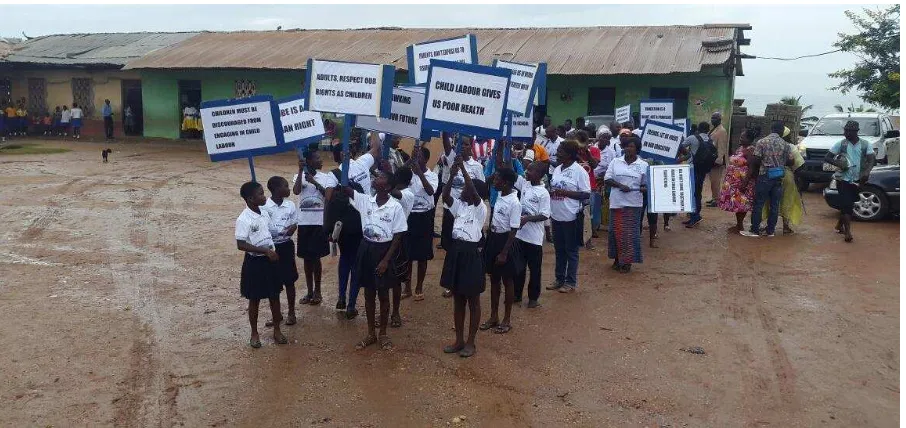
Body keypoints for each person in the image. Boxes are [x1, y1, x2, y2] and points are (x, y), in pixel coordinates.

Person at [344, 170, 407, 351]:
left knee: (383, 294)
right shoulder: (366, 200)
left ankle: (383, 333)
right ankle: (371, 332)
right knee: (369, 292)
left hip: (384, 251)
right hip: (366, 249)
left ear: (387, 187)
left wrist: (386, 260)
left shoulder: (395, 207)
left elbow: (398, 236)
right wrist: (347, 164)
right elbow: (345, 189)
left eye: (380, 177)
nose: (376, 178)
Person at [440, 156, 488, 358]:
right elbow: (445, 196)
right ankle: (459, 340)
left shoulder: (480, 209)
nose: (463, 192)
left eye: (466, 190)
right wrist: (451, 175)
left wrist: (464, 171)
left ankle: (471, 342)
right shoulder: (460, 206)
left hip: (470, 254)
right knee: (458, 299)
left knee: (473, 300)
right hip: (456, 252)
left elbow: (474, 190)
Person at [235, 181, 287, 348]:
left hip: (271, 260)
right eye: (260, 194)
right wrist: (265, 251)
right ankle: (254, 333)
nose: (264, 196)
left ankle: (277, 330)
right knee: (254, 299)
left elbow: (270, 232)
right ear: (250, 198)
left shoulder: (264, 213)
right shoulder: (243, 219)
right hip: (255, 262)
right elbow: (241, 244)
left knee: (275, 296)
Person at [480, 166, 521, 335]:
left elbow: (513, 229)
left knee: (507, 280)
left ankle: (507, 319)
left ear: (506, 183)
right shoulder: (499, 195)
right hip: (494, 239)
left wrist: (504, 252)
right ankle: (494, 316)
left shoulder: (514, 202)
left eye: (497, 179)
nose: (494, 181)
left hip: (506, 242)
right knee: (494, 279)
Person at [546, 140, 591, 293]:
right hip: (556, 216)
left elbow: (586, 194)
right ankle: (559, 279)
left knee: (571, 251)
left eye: (560, 151)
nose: (557, 153)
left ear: (570, 154)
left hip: (571, 217)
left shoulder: (579, 171)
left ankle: (570, 282)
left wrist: (565, 193)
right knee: (559, 250)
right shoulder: (558, 169)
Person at [293, 150, 336, 308]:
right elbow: (296, 191)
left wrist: (314, 182)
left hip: (319, 223)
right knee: (306, 258)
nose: (321, 160)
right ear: (309, 161)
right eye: (317, 158)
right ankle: (309, 291)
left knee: (316, 258)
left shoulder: (325, 178)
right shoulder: (300, 176)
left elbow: (329, 196)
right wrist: (300, 171)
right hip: (304, 223)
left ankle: (318, 291)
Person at [741, 121, 795, 238]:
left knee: (759, 203)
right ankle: (770, 231)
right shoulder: (785, 145)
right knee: (775, 205)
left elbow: (756, 160)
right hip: (779, 176)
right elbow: (791, 161)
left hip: (765, 175)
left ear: (771, 129)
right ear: (781, 131)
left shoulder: (762, 142)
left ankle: (754, 230)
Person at [824, 120, 875, 242]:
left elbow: (872, 159)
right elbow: (827, 157)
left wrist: (867, 172)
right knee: (847, 204)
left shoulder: (865, 144)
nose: (845, 133)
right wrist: (839, 164)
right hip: (843, 179)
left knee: (849, 204)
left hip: (858, 180)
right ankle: (847, 232)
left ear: (856, 132)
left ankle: (839, 225)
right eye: (845, 130)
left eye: (848, 131)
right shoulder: (841, 144)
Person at [604, 136, 648, 273]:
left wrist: (643, 188)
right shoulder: (615, 162)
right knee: (614, 232)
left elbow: (646, 185)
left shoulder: (643, 165)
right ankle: (617, 259)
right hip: (616, 203)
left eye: (632, 146)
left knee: (629, 234)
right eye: (626, 146)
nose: (628, 148)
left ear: (637, 149)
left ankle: (627, 262)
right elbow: (607, 179)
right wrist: (620, 185)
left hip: (633, 204)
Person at [262, 176, 301, 327]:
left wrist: (292, 228)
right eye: (285, 186)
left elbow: (294, 222)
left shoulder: (290, 205)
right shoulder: (265, 207)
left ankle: (292, 312)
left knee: (289, 280)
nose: (288, 189)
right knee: (273, 283)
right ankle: (276, 314)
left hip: (286, 246)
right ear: (276, 189)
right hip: (271, 248)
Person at [439, 135, 487, 256]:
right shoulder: (452, 160)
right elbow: (445, 142)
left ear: (471, 146)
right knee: (449, 240)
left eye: (466, 144)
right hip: (453, 207)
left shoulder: (477, 166)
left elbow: (480, 188)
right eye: (461, 144)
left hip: (470, 210)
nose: (463, 147)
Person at [403, 145, 438, 301]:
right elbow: (397, 176)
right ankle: (407, 287)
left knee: (423, 255)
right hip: (410, 216)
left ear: (426, 159)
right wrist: (409, 162)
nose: (416, 160)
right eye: (414, 156)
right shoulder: (408, 174)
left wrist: (419, 174)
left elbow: (431, 191)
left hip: (425, 217)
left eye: (419, 157)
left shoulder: (432, 175)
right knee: (408, 254)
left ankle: (419, 287)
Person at [513, 161, 550, 308]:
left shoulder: (544, 193)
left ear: (539, 175)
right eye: (527, 170)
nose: (526, 172)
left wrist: (527, 219)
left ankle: (533, 298)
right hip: (520, 236)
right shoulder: (525, 185)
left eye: (530, 171)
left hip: (534, 239)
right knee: (518, 268)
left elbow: (545, 215)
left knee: (535, 270)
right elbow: (509, 169)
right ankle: (516, 295)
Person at [761, 127, 805, 234]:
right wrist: (798, 181)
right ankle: (786, 226)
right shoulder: (790, 147)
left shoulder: (767, 144)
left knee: (769, 201)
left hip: (771, 174)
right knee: (787, 200)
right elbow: (799, 165)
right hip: (787, 176)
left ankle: (768, 226)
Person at [718, 128, 758, 231]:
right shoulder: (740, 148)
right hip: (735, 182)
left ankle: (740, 225)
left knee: (742, 203)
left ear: (749, 139)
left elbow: (751, 168)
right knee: (737, 202)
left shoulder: (751, 150)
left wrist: (744, 183)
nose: (740, 139)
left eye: (742, 137)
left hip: (743, 181)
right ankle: (738, 225)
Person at [682, 122, 713, 228]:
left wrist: (686, 154)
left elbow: (680, 146)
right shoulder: (709, 139)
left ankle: (694, 217)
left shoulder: (692, 138)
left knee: (691, 192)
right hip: (703, 169)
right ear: (708, 130)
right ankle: (696, 215)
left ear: (698, 129)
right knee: (698, 192)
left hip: (692, 168)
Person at [706, 112, 728, 207]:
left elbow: (722, 146)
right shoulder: (714, 129)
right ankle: (714, 197)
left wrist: (719, 159)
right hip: (712, 158)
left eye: (715, 118)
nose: (712, 120)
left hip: (717, 159)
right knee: (712, 180)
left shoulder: (722, 131)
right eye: (712, 118)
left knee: (715, 180)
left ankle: (717, 200)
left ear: (719, 120)